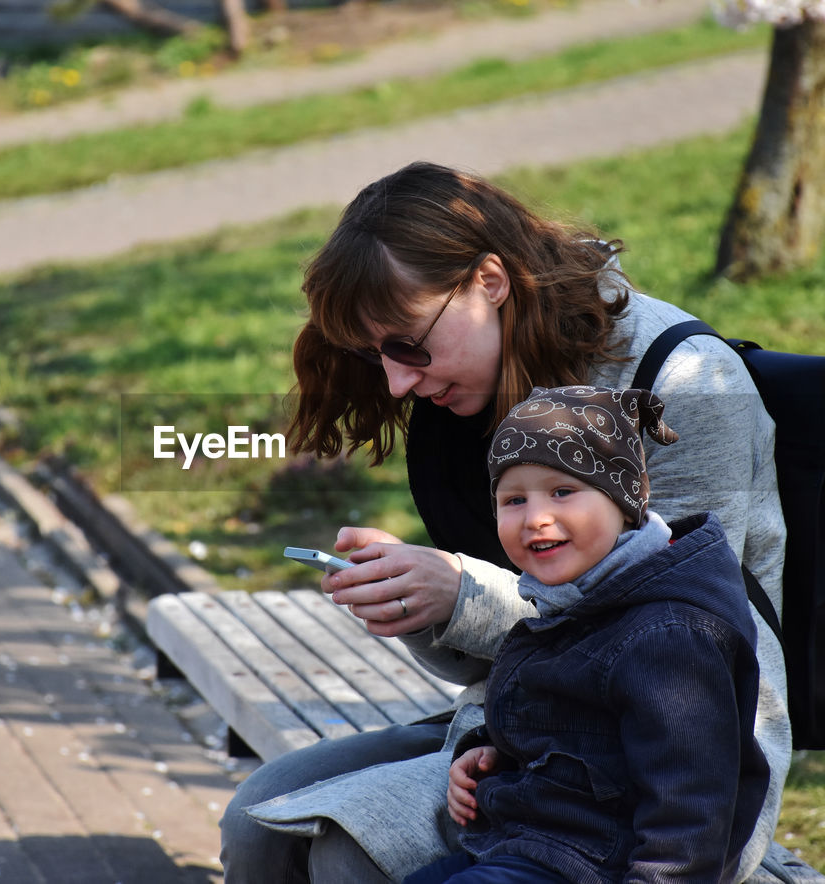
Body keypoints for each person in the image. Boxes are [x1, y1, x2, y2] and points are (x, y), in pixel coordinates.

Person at [220, 161, 793, 883]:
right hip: (522, 725)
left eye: (405, 342)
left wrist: (461, 591)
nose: (397, 382)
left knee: (347, 854)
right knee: (257, 821)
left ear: (490, 282)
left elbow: (680, 631)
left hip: (655, 774)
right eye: (374, 354)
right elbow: (498, 655)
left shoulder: (681, 381)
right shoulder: (462, 390)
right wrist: (420, 604)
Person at [402, 385, 769, 883]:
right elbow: (578, 722)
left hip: (598, 865)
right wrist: (493, 749)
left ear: (631, 494)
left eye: (562, 491)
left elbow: (690, 809)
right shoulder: (582, 593)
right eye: (513, 500)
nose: (536, 518)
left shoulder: (670, 635)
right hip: (539, 842)